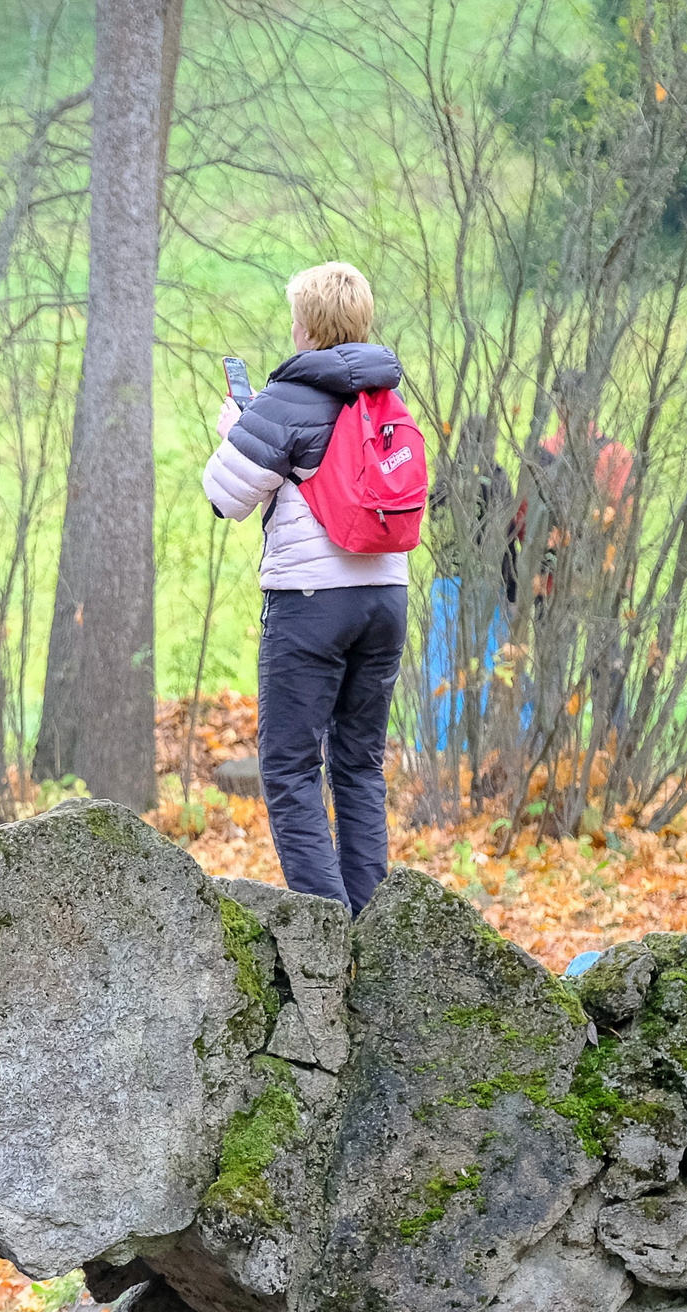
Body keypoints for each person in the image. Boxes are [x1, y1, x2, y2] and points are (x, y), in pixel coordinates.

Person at [202, 261, 409, 915]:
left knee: (290, 768)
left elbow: (224, 495)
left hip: (311, 603)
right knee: (358, 764)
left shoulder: (288, 398)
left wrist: (236, 431)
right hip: (387, 596)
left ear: (307, 327)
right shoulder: (387, 399)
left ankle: (326, 935)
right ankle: (370, 928)